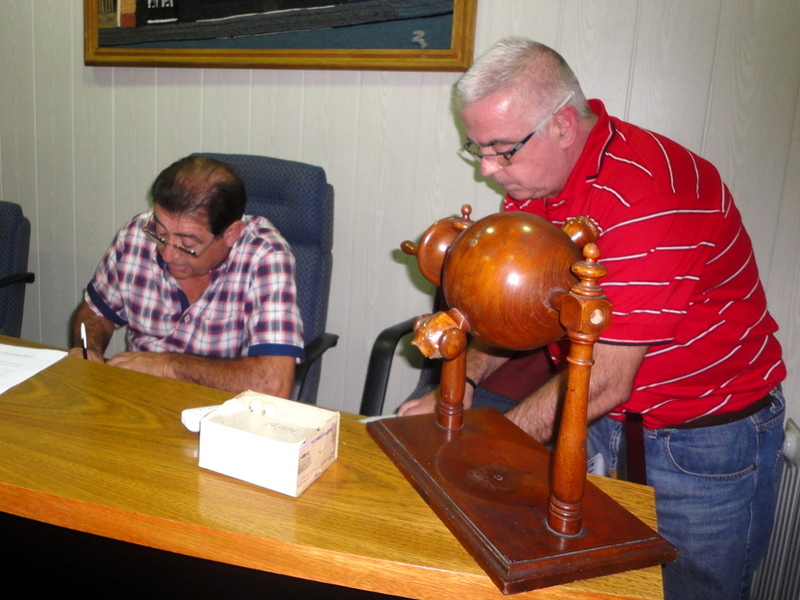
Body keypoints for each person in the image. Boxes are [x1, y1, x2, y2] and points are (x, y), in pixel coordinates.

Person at [398, 37, 786, 600]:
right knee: (605, 585)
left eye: (501, 150)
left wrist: (487, 446)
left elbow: (605, 378)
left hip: (701, 441)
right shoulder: (534, 189)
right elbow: (517, 316)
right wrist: (459, 386)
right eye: (476, 150)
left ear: (561, 125)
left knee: (691, 592)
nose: (487, 171)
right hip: (604, 422)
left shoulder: (650, 192)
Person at [69, 155, 304, 398]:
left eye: (188, 245)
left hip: (222, 410)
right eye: (161, 234)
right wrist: (88, 349)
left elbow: (273, 384)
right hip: (140, 398)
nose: (168, 254)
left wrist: (166, 366)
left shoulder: (265, 256)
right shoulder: (136, 234)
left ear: (231, 233)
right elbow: (95, 312)